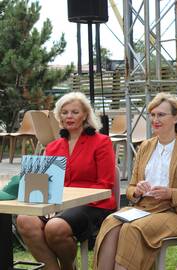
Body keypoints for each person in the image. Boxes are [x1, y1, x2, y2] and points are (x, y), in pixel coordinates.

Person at [93, 92, 177, 270]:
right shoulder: (145, 146)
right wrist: (138, 190)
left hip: (175, 212)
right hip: (143, 208)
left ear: (176, 117)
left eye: (161, 115)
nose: (155, 119)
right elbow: (131, 188)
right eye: (153, 115)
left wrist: (171, 193)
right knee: (110, 223)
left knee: (131, 229)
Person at [16, 92, 116, 270]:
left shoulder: (102, 142)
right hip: (58, 204)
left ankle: (69, 267)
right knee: (24, 219)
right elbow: (44, 184)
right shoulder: (52, 147)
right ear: (59, 116)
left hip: (95, 204)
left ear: (85, 115)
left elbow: (105, 184)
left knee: (55, 227)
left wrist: (65, 205)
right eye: (64, 112)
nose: (69, 116)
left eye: (75, 112)